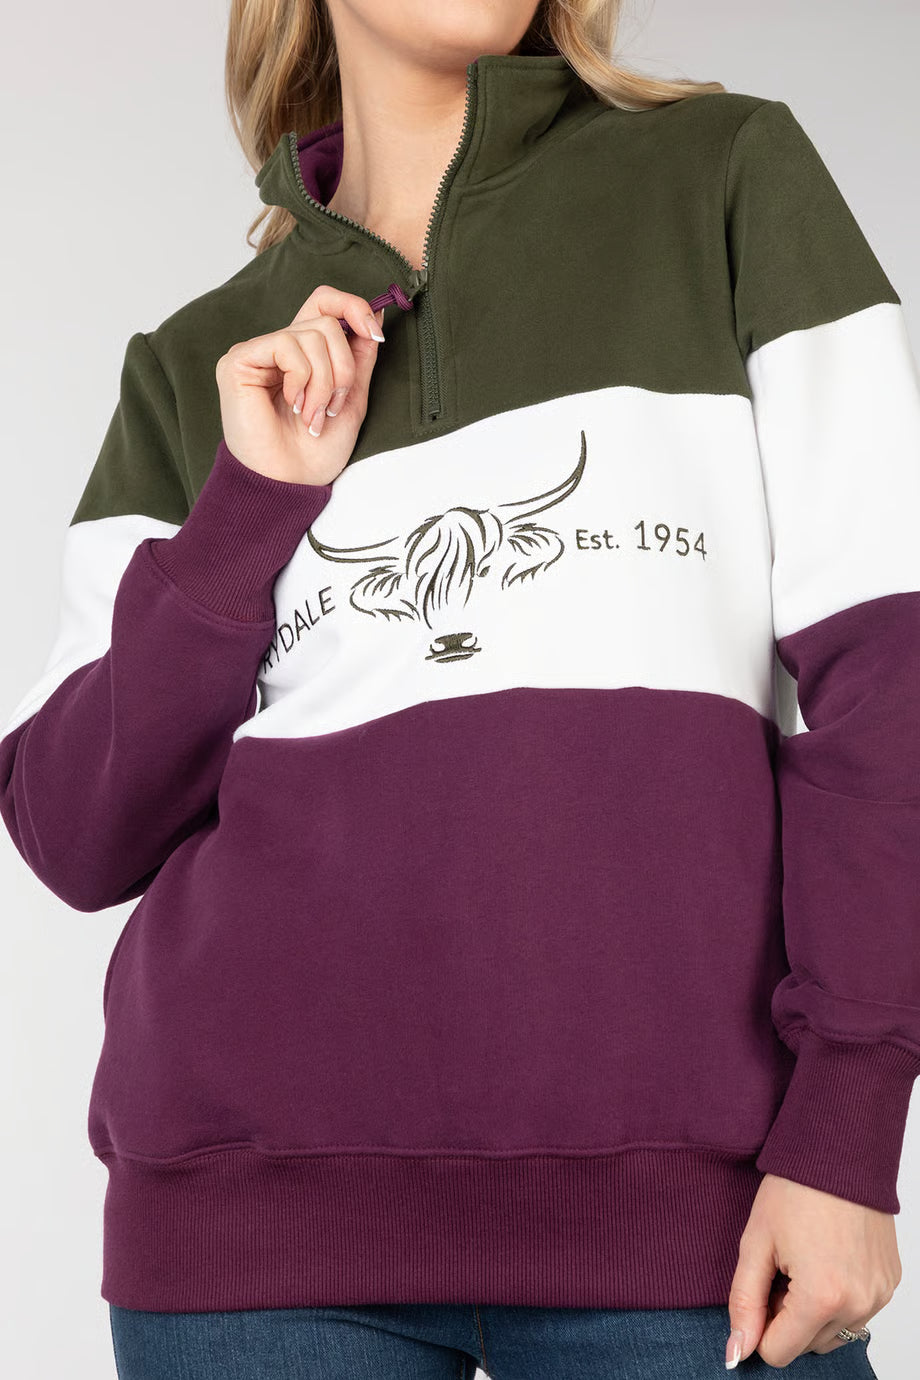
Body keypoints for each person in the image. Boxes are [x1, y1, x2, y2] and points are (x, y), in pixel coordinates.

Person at [1, 0, 916, 1375]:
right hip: (251, 1235)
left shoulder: (724, 177)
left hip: (690, 1217)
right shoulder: (200, 361)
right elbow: (74, 831)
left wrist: (849, 1124)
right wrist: (250, 507)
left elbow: (892, 676)